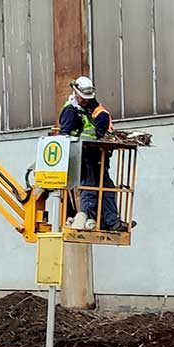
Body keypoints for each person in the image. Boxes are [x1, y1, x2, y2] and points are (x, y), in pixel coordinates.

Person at [56, 75, 120, 232]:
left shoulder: (86, 110)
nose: (86, 100)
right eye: (83, 97)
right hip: (82, 157)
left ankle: (111, 221)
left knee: (106, 187)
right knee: (90, 186)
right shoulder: (71, 112)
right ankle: (87, 219)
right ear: (76, 92)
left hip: (95, 155)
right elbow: (64, 136)